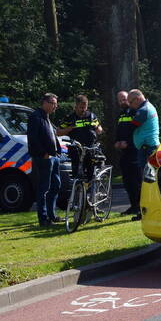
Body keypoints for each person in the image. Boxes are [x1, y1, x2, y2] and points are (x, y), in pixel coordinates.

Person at [27, 93, 67, 226]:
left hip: (54, 157)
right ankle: (43, 219)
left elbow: (53, 135)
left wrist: (57, 152)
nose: (56, 106)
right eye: (53, 103)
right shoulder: (36, 117)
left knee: (56, 186)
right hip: (44, 157)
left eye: (56, 103)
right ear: (45, 102)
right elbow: (33, 138)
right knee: (44, 188)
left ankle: (52, 215)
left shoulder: (46, 117)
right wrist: (43, 153)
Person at [127, 89, 159, 221]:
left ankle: (145, 212)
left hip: (147, 149)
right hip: (148, 147)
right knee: (148, 181)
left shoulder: (143, 110)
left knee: (146, 182)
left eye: (130, 102)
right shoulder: (148, 107)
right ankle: (148, 211)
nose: (129, 105)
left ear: (138, 99)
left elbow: (131, 126)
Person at [63, 94, 104, 178]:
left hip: (90, 149)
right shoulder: (70, 118)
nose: (83, 109)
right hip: (76, 150)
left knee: (90, 173)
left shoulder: (91, 116)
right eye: (81, 107)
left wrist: (98, 128)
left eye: (85, 107)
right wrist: (69, 128)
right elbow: (58, 132)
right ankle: (79, 189)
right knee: (77, 174)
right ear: (76, 106)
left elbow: (99, 129)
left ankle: (90, 189)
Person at [113, 90, 140, 215]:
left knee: (135, 180)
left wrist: (128, 142)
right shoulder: (121, 114)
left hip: (134, 150)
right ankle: (133, 205)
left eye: (124, 99)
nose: (122, 102)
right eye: (119, 100)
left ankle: (138, 206)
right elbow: (119, 131)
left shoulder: (136, 112)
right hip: (124, 152)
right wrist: (117, 141)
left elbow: (136, 131)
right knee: (127, 181)